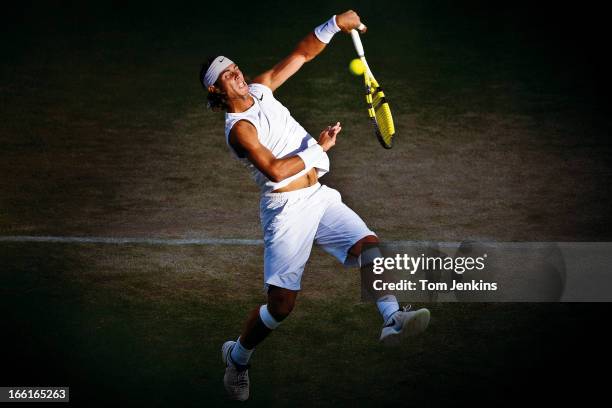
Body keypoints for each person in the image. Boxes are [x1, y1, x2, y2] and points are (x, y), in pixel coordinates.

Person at [200, 10, 430, 401]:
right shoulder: (240, 129)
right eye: (228, 75)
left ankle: (392, 318)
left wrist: (335, 23)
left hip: (318, 196)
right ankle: (238, 358)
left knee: (370, 246)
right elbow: (274, 170)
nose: (238, 74)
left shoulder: (260, 89)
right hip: (285, 209)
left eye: (236, 67)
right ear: (217, 91)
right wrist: (317, 150)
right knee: (281, 307)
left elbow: (302, 55)